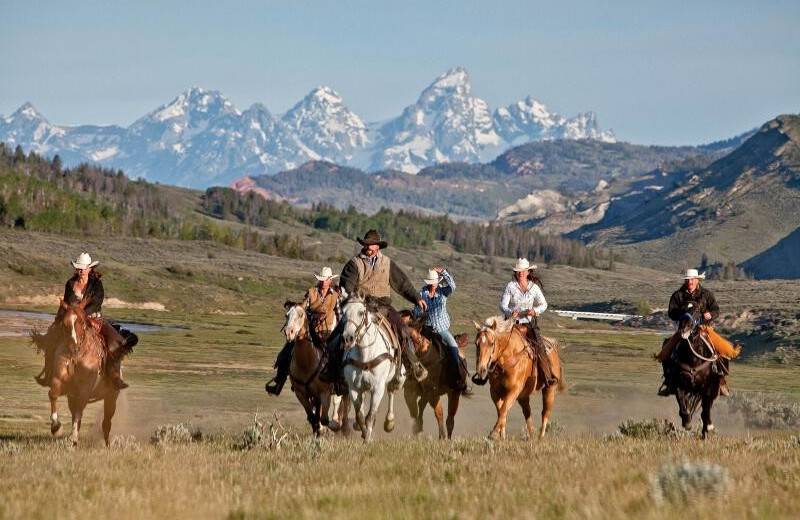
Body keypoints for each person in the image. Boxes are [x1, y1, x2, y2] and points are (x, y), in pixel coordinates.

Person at [320, 229, 428, 385]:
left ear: (378, 246)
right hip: (361, 307)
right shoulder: (354, 264)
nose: (368, 247)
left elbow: (402, 283)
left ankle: (412, 366)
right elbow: (347, 286)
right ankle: (333, 370)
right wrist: (353, 299)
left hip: (383, 306)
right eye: (366, 244)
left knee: (404, 330)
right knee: (337, 336)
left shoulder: (387, 263)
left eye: (372, 245)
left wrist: (416, 298)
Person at [35, 252, 137, 390]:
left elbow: (97, 302)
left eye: (83, 268)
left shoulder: (97, 284)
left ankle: (114, 377)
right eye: (78, 267)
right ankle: (48, 375)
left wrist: (81, 314)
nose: (81, 270)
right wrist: (59, 320)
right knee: (50, 341)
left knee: (115, 343)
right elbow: (64, 303)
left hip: (94, 318)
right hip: (72, 319)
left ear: (90, 269)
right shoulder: (70, 283)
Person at [656, 268, 736, 397]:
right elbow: (671, 312)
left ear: (697, 280)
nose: (690, 282)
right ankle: (669, 381)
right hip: (684, 329)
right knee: (666, 348)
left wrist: (710, 314)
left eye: (692, 279)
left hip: (704, 329)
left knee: (723, 349)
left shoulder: (706, 294)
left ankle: (721, 380)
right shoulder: (678, 295)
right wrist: (682, 315)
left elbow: (716, 310)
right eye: (687, 279)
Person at [265, 266, 344, 396]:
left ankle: (338, 383)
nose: (323, 282)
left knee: (338, 354)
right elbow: (303, 311)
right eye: (321, 279)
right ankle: (279, 381)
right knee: (285, 353)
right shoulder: (311, 292)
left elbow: (340, 316)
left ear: (330, 280)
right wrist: (314, 316)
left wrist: (339, 331)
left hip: (328, 333)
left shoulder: (336, 296)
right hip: (310, 331)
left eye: (326, 279)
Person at [499, 258, 557, 386]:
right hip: (512, 323)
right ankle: (486, 373)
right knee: (495, 343)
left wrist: (535, 311)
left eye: (522, 271)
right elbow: (503, 305)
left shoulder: (534, 288)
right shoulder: (510, 286)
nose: (520, 274)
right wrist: (509, 312)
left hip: (528, 323)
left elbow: (544, 304)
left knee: (539, 346)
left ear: (528, 272)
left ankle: (547, 376)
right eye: (518, 271)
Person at [413, 267, 467, 391]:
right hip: (426, 329)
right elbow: (415, 310)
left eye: (434, 282)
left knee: (453, 348)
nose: (433, 285)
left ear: (438, 282)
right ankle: (410, 376)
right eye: (431, 283)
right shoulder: (421, 294)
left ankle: (458, 375)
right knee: (413, 347)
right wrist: (420, 313)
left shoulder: (443, 292)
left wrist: (443, 272)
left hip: (441, 330)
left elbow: (453, 286)